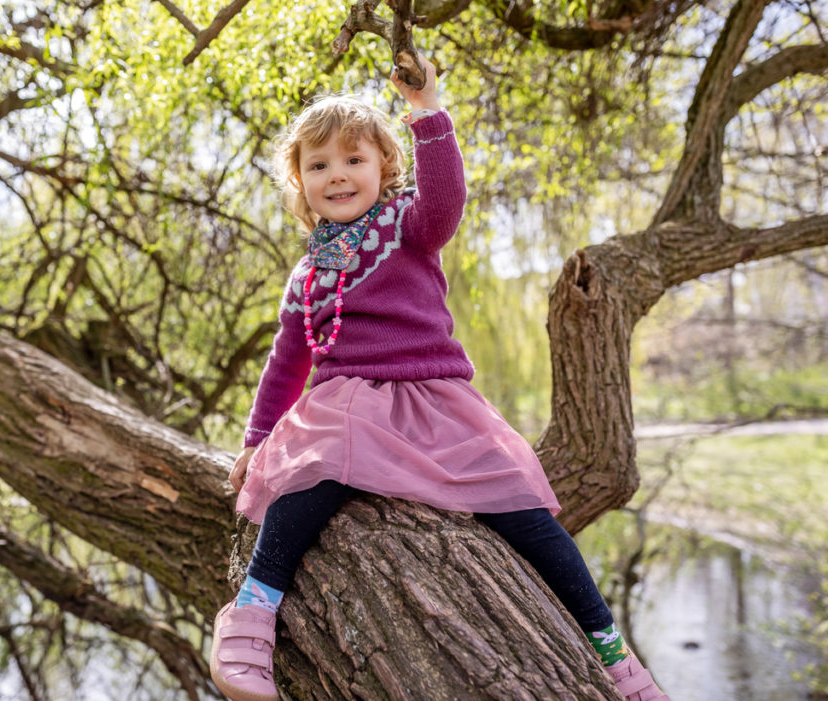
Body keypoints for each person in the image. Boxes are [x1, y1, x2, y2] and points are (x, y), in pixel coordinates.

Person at [208, 55, 669, 701]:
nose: (336, 174)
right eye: (318, 165)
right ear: (299, 181)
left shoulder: (408, 225)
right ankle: (252, 611)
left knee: (529, 516)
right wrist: (258, 438)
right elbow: (288, 361)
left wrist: (428, 112)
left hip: (437, 402)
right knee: (308, 480)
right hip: (345, 405)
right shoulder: (307, 273)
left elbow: (446, 199)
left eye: (353, 160)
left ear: (383, 168)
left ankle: (616, 658)